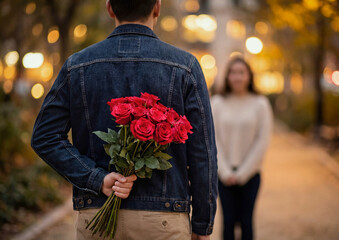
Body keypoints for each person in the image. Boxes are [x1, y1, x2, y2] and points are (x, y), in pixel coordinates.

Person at [31, 0, 218, 239]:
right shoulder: (186, 67)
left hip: (96, 216)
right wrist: (202, 225)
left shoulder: (77, 66)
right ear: (157, 8)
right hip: (163, 220)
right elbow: (203, 154)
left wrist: (97, 179)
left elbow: (44, 136)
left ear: (109, 8)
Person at [211, 57, 272, 240]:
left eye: (241, 72)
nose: (237, 77)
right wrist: (226, 172)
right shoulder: (217, 103)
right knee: (227, 222)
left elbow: (262, 141)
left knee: (247, 222)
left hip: (251, 175)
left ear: (249, 76)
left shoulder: (260, 104)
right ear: (227, 76)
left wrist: (242, 174)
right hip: (223, 175)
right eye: (233, 72)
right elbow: (214, 140)